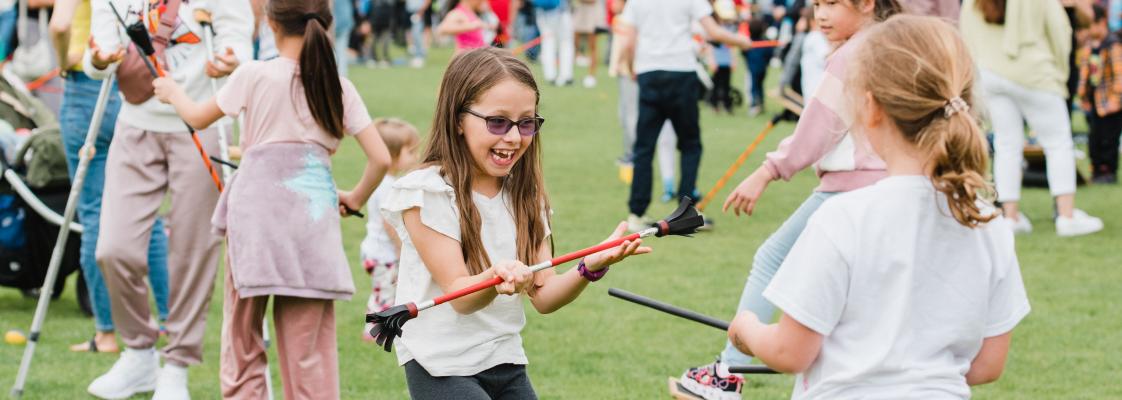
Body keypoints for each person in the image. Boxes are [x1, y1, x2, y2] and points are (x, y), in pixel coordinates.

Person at [727, 16, 1029, 398]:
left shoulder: (842, 219)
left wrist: (747, 329)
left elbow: (790, 352)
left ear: (870, 108)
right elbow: (988, 364)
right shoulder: (990, 224)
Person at [153, 0, 392, 397]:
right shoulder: (337, 85)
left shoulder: (253, 74)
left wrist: (172, 92)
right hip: (311, 219)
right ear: (326, 25)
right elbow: (381, 158)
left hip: (255, 219)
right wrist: (352, 196)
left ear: (269, 23)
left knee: (243, 338)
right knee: (309, 350)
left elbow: (196, 117)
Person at [386, 47, 648, 399]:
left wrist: (591, 266)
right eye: (497, 122)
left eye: (526, 123)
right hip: (440, 365)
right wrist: (498, 277)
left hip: (505, 360)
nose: (513, 137)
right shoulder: (427, 194)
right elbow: (459, 295)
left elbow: (544, 295)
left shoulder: (526, 195)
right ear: (458, 119)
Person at [675, 0, 904, 398]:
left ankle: (727, 373)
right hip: (897, 187)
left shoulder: (852, 56)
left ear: (867, 3)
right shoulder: (902, 46)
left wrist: (768, 171)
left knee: (771, 259)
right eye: (816, 4)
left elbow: (818, 128)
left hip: (849, 188)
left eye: (832, 3)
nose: (821, 14)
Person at [83, 0, 252, 398]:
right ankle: (139, 352)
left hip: (199, 120)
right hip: (135, 124)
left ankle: (177, 363)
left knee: (193, 250)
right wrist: (100, 58)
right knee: (113, 248)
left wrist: (230, 62)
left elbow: (239, 45)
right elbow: (99, 58)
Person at [47, 0, 171, 355]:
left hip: (87, 84)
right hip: (132, 83)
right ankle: (166, 320)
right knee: (147, 212)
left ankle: (105, 332)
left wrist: (62, 61)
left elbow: (59, 25)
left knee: (93, 212)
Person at [961, 0, 1104, 236]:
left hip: (992, 75)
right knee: (1058, 143)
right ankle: (1066, 216)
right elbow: (1059, 31)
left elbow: (966, 38)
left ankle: (1010, 216)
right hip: (1036, 74)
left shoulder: (971, 3)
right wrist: (1059, 72)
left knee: (1006, 145)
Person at [614, 0, 752, 233]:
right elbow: (713, 31)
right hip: (681, 74)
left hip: (650, 74)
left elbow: (628, 40)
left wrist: (631, 67)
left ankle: (637, 213)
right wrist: (742, 41)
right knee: (690, 145)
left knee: (644, 148)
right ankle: (686, 210)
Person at [361, 118, 421, 340]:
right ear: (392, 153)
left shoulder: (382, 181)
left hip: (374, 252)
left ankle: (379, 330)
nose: (415, 156)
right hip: (383, 255)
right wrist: (401, 248)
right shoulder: (388, 187)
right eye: (411, 151)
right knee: (385, 294)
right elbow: (389, 224)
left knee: (384, 291)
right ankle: (372, 334)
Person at [1076, 4, 1122, 184]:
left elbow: (1120, 76)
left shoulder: (1113, 45)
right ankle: (1095, 170)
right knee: (1094, 138)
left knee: (1108, 140)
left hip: (1110, 103)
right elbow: (1085, 75)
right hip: (1095, 101)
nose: (1089, 29)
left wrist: (1116, 100)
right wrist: (1083, 96)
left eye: (1091, 24)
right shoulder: (1090, 47)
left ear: (1102, 22)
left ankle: (1107, 171)